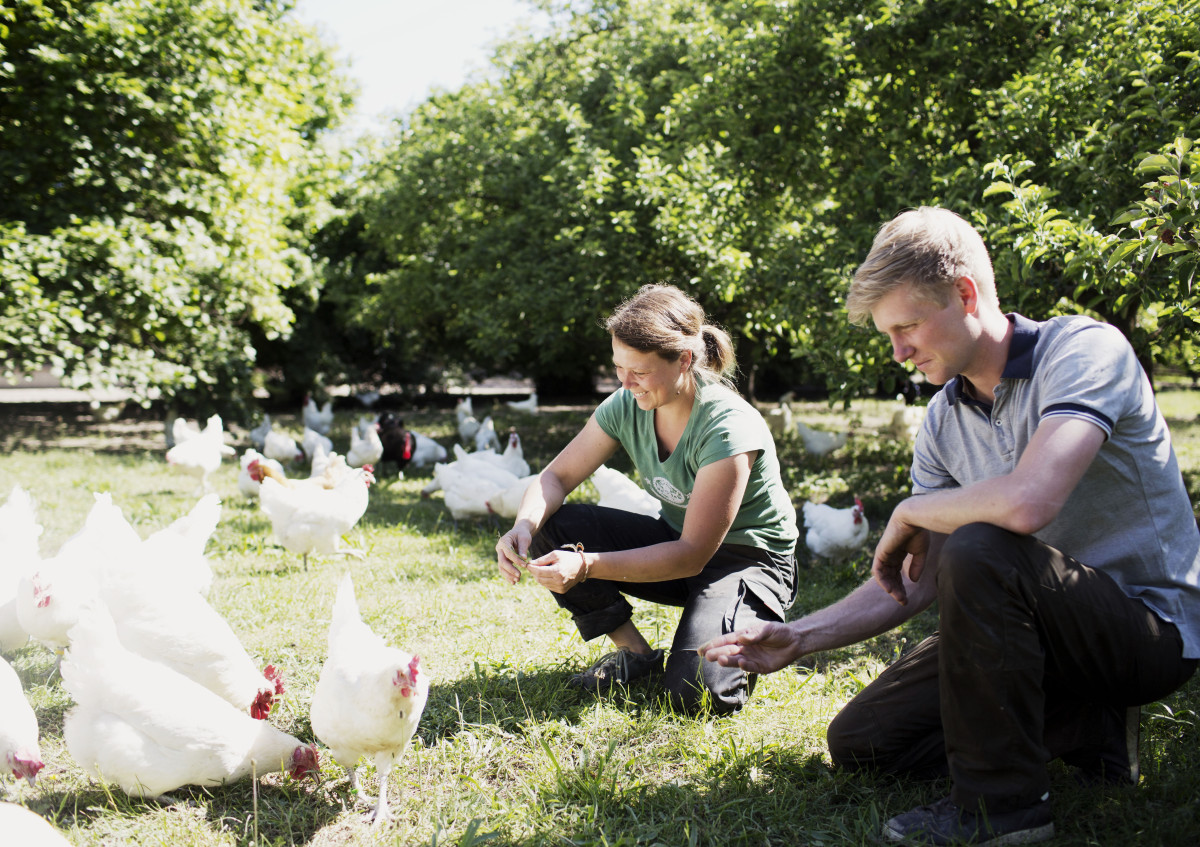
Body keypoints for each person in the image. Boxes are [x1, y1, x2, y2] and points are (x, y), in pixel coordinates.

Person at [700, 207, 1200, 844]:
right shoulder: (943, 419)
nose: (899, 352)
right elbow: (922, 577)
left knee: (983, 545)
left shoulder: (1084, 350)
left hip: (1145, 632)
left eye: (908, 326)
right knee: (864, 743)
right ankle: (1088, 725)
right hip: (1031, 633)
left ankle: (1004, 811)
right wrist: (799, 635)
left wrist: (910, 510)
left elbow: (1027, 505)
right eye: (888, 334)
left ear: (966, 294)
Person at [496, 283, 798, 715]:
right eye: (618, 366)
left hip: (748, 560)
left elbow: (692, 555)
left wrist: (585, 566)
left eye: (638, 370)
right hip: (677, 542)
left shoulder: (728, 428)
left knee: (698, 695)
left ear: (685, 360)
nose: (624, 381)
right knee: (550, 524)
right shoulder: (627, 404)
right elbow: (557, 476)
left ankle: (738, 621)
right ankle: (637, 656)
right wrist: (524, 525)